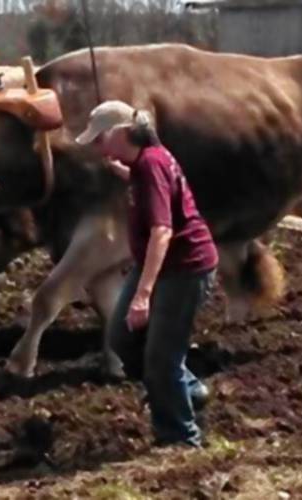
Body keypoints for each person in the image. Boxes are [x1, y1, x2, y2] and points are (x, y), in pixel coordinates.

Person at [76, 100, 218, 448]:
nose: (96, 148)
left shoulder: (150, 166)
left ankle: (181, 439)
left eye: (99, 140)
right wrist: (125, 174)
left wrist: (143, 294)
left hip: (183, 269)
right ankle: (189, 390)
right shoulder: (144, 161)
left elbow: (162, 232)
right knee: (122, 337)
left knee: (160, 359)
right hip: (161, 265)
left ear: (119, 133)